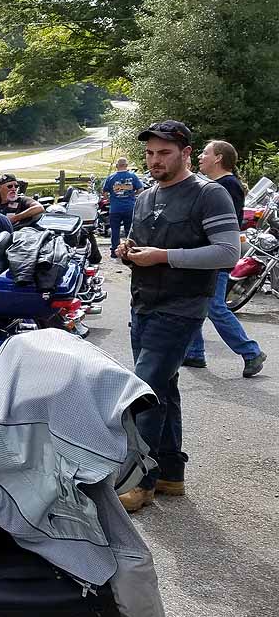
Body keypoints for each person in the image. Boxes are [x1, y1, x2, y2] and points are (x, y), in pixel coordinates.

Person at [115, 121, 241, 513]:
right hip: (143, 304)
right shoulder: (145, 196)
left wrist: (164, 256)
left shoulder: (209, 194)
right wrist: (127, 249)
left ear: (186, 153)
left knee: (143, 389)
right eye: (150, 153)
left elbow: (227, 253)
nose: (155, 160)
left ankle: (140, 482)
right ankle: (171, 474)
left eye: (165, 153)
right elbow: (141, 243)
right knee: (163, 388)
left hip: (181, 307)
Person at [183, 140, 266, 377]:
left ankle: (251, 352)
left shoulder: (227, 185)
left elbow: (224, 223)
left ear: (218, 158)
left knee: (214, 307)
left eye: (205, 153)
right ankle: (195, 353)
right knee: (195, 302)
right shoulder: (217, 184)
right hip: (207, 254)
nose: (200, 156)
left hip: (216, 255)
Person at [102, 157, 144, 254]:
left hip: (115, 209)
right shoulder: (133, 176)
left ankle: (114, 251)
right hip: (129, 207)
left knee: (115, 230)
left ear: (117, 166)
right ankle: (129, 250)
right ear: (126, 165)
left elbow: (104, 193)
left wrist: (110, 199)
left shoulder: (111, 178)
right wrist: (133, 195)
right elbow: (141, 189)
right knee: (129, 230)